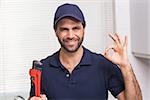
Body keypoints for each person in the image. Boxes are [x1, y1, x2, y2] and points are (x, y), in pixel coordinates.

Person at [29, 3, 142, 100]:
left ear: (84, 29)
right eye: (64, 29)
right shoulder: (42, 69)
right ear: (55, 31)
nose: (70, 35)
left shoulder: (103, 64)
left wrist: (125, 66)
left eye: (76, 28)